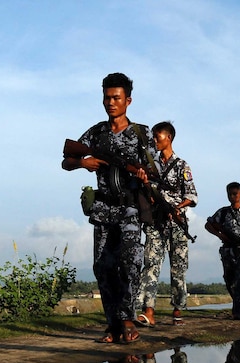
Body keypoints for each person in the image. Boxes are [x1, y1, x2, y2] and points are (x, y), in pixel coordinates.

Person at [62, 72, 153, 344]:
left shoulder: (141, 133)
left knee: (130, 263)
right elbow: (66, 161)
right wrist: (83, 163)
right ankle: (113, 325)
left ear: (128, 101)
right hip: (103, 208)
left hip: (130, 209)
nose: (111, 102)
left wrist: (144, 176)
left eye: (117, 98)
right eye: (107, 97)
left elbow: (153, 168)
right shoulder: (96, 133)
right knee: (102, 267)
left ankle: (127, 318)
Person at [135, 121, 198, 327]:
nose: (154, 140)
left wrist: (176, 209)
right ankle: (148, 311)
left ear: (168, 138)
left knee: (178, 269)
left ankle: (178, 308)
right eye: (153, 137)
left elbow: (192, 195)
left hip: (177, 224)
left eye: (158, 137)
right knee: (151, 264)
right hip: (155, 221)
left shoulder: (182, 166)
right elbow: (145, 191)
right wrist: (144, 183)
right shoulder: (150, 164)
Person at [205, 182, 240, 320]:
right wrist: (220, 235)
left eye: (236, 193)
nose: (233, 196)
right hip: (228, 251)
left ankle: (238, 311)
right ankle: (238, 306)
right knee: (229, 280)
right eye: (230, 194)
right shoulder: (222, 212)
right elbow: (208, 225)